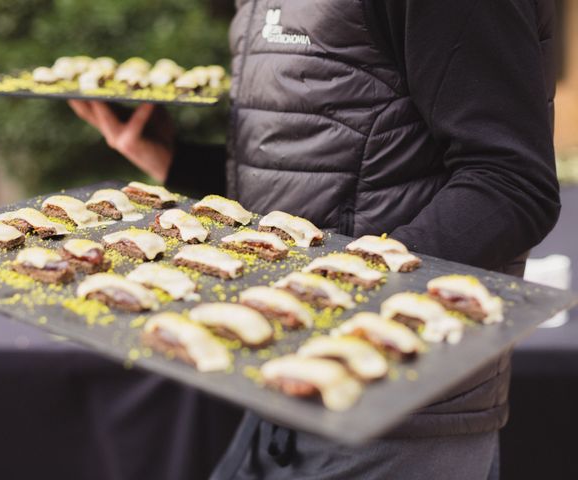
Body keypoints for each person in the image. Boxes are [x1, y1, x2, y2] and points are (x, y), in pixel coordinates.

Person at [69, 0, 561, 478]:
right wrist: (174, 161)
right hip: (279, 382)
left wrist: (350, 285)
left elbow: (510, 183)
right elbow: (310, 162)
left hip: (394, 416)